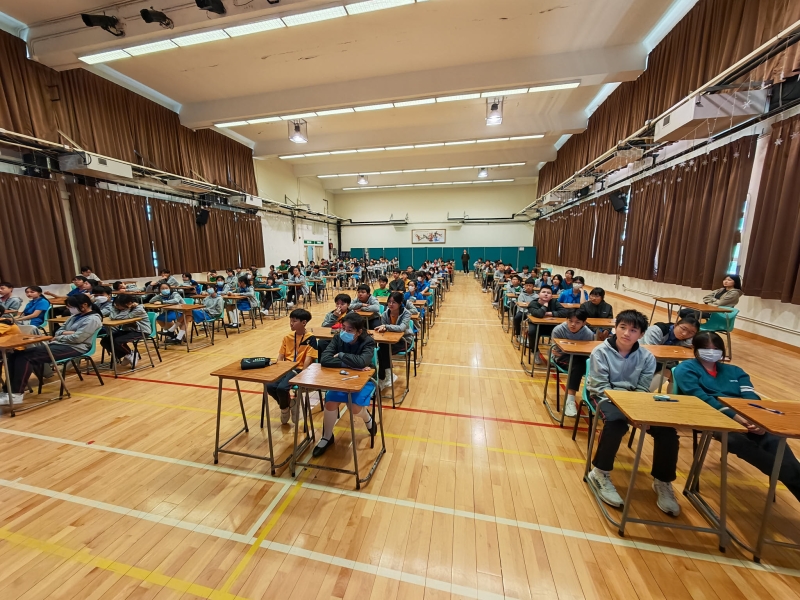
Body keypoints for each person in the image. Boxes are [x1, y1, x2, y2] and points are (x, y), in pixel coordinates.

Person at [674, 332, 800, 501]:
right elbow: (701, 398)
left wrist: (756, 420)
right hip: (712, 418)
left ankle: (791, 474)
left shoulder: (735, 371)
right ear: (694, 349)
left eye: (716, 349)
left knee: (774, 440)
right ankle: (789, 475)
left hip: (746, 417)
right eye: (706, 349)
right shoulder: (685, 369)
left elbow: (751, 398)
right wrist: (735, 417)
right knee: (735, 441)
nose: (712, 352)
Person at [586, 309, 681, 516]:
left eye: (633, 330)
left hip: (635, 400)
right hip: (604, 397)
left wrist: (636, 411)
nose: (626, 333)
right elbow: (601, 386)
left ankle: (662, 481)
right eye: (623, 327)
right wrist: (628, 412)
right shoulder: (600, 352)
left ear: (641, 334)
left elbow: (643, 388)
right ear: (615, 327)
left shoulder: (647, 357)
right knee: (616, 423)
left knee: (667, 431)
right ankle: (599, 472)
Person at [3, 294, 102, 406]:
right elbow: (58, 331)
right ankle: (8, 391)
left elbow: (78, 338)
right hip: (60, 344)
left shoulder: (93, 319)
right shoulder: (74, 317)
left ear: (84, 305)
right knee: (15, 354)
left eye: (71, 307)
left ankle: (16, 394)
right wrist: (65, 333)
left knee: (26, 358)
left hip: (76, 347)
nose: (69, 309)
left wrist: (60, 336)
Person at [314, 313, 378, 457]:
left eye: (349, 330)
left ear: (358, 332)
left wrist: (341, 355)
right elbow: (324, 359)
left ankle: (367, 418)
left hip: (365, 379)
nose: (344, 332)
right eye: (343, 328)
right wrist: (349, 364)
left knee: (353, 407)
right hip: (342, 377)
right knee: (330, 402)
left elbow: (363, 362)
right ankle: (327, 437)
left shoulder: (368, 342)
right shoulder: (338, 338)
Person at [267, 308, 318, 424]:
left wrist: (303, 375)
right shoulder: (287, 337)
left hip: (299, 369)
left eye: (294, 321)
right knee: (269, 386)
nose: (291, 323)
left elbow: (309, 359)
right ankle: (289, 404)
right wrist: (278, 370)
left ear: (304, 323)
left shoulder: (311, 338)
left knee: (281, 388)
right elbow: (280, 355)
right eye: (290, 320)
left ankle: (284, 409)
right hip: (285, 368)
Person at [550, 308, 595, 417]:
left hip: (580, 359)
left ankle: (592, 398)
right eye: (570, 321)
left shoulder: (588, 334)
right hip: (561, 358)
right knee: (578, 363)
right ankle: (570, 401)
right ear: (566, 320)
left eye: (577, 322)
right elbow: (557, 352)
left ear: (584, 323)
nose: (573, 324)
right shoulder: (558, 330)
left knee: (591, 364)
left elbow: (588, 352)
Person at [375, 291, 416, 390]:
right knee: (381, 349)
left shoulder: (406, 313)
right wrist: (384, 328)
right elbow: (384, 328)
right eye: (389, 302)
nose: (390, 304)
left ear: (400, 303)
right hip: (389, 340)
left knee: (382, 351)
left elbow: (401, 328)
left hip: (404, 340)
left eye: (394, 302)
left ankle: (383, 377)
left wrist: (386, 326)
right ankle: (387, 376)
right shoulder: (385, 313)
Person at [100, 293, 150, 365]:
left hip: (141, 331)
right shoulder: (120, 308)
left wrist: (128, 308)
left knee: (118, 341)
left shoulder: (138, 309)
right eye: (116, 304)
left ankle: (129, 354)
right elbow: (113, 317)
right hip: (128, 330)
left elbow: (121, 317)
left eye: (119, 305)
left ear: (129, 303)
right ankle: (128, 354)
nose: (117, 306)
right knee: (105, 341)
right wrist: (115, 308)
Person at [527, 287, 567, 365]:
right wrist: (545, 306)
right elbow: (539, 314)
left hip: (551, 326)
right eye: (543, 292)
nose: (546, 294)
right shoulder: (533, 303)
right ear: (539, 294)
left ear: (551, 296)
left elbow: (565, 312)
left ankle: (555, 353)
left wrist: (550, 313)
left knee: (562, 331)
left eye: (548, 293)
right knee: (531, 332)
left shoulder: (554, 302)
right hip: (536, 325)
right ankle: (535, 351)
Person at [679, 274, 743, 319]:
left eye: (729, 280)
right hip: (708, 309)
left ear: (735, 282)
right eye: (725, 279)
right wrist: (714, 302)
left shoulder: (734, 293)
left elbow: (720, 303)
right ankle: (687, 328)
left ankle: (691, 329)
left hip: (719, 313)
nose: (726, 281)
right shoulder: (720, 290)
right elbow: (705, 298)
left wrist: (711, 301)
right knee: (682, 312)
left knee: (691, 315)